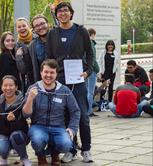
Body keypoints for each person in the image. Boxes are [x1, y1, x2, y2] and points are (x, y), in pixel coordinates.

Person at [45, 2, 94, 163]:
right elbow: (49, 57)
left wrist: (88, 71)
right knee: (64, 116)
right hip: (59, 81)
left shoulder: (81, 31)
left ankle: (86, 150)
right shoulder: (53, 33)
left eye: (66, 11)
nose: (62, 13)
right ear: (56, 14)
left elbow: (90, 54)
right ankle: (71, 150)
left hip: (78, 79)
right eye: (59, 11)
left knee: (82, 117)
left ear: (71, 13)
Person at [23, 59, 80, 166]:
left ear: (56, 74)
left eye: (52, 72)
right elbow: (26, 114)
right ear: (41, 73)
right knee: (38, 140)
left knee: (67, 144)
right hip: (38, 126)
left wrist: (72, 128)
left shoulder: (64, 91)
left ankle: (55, 154)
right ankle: (41, 155)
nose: (48, 75)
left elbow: (75, 111)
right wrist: (30, 99)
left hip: (58, 127)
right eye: (46, 72)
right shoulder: (33, 89)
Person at [25, 14, 50, 84]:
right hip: (42, 85)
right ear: (34, 30)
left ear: (48, 24)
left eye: (42, 23)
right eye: (36, 26)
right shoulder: (31, 46)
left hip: (61, 84)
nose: (40, 27)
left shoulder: (58, 39)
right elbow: (30, 70)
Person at [15, 17, 37, 92]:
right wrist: (18, 56)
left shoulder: (37, 37)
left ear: (28, 26)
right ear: (16, 29)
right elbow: (23, 70)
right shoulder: (17, 46)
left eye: (24, 26)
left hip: (43, 75)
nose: (22, 28)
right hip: (30, 79)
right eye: (19, 27)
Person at [84, 28, 100, 118]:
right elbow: (92, 58)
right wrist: (97, 69)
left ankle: (86, 110)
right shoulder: (91, 43)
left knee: (86, 91)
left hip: (84, 70)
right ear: (93, 35)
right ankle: (89, 111)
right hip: (91, 70)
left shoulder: (83, 42)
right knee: (90, 92)